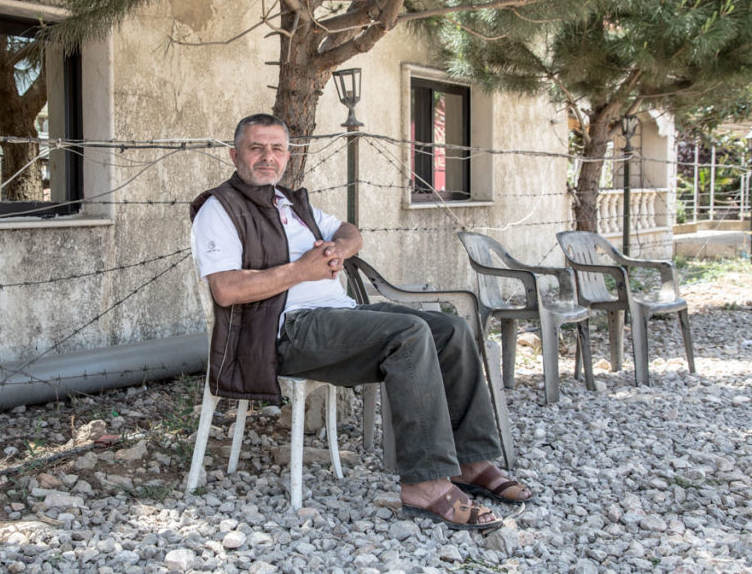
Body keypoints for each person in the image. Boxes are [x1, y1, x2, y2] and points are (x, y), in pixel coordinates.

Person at [190, 113, 533, 530]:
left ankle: (471, 462)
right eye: (257, 148)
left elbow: (350, 230)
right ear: (235, 154)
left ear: (287, 155)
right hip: (282, 331)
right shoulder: (219, 208)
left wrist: (339, 250)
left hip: (341, 316)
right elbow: (226, 289)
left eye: (277, 148)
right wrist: (302, 270)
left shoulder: (290, 203)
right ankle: (424, 485)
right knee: (408, 334)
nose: (268, 157)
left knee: (451, 330)